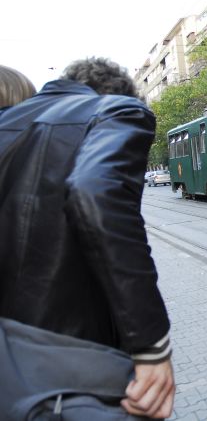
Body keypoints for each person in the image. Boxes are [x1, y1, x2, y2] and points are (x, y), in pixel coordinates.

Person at [0, 58, 174, 418]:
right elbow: (95, 192)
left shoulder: (9, 123)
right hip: (73, 379)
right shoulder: (116, 110)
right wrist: (151, 347)